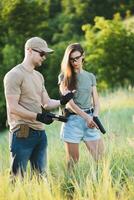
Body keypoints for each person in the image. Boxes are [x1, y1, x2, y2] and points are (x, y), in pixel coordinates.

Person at [3, 37, 73, 178]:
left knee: (41, 177)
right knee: (17, 177)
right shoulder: (14, 75)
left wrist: (62, 100)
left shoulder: (38, 76)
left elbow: (46, 103)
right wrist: (39, 116)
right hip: (22, 131)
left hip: (40, 133)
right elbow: (13, 108)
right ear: (29, 50)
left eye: (45, 54)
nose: (44, 57)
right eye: (42, 53)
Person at [58, 43, 104, 170]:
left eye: (77, 58)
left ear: (83, 56)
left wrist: (94, 117)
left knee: (101, 160)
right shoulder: (64, 77)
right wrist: (86, 118)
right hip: (73, 122)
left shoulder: (90, 77)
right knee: (73, 162)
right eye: (71, 59)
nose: (74, 62)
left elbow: (96, 102)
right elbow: (69, 103)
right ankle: (70, 187)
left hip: (90, 120)